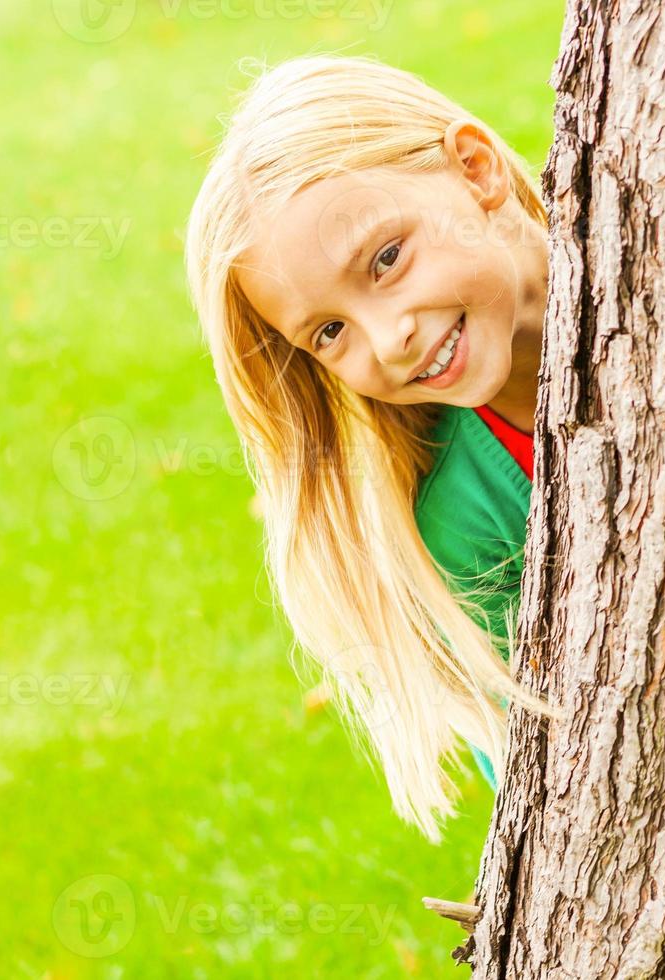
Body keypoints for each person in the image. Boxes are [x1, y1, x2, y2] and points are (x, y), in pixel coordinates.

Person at [184, 53, 559, 841]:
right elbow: (546, 767)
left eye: (386, 260)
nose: (390, 340)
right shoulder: (461, 524)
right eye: (330, 331)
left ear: (476, 169)